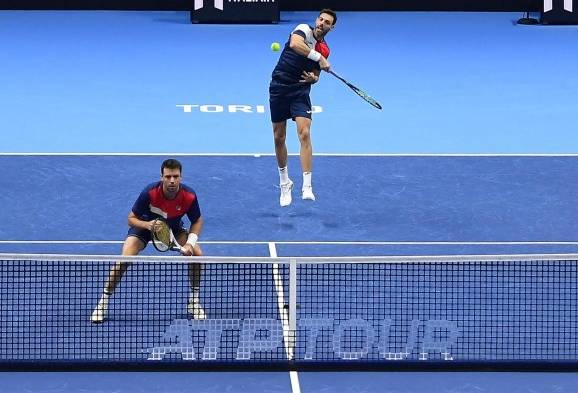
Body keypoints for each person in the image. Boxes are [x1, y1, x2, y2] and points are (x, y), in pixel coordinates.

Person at [90, 159, 205, 323]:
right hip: (144, 227)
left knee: (198, 256)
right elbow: (130, 219)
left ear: (181, 177)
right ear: (161, 177)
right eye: (168, 176)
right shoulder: (149, 193)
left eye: (175, 176)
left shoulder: (189, 196)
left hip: (173, 228)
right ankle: (103, 302)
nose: (172, 180)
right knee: (124, 260)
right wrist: (147, 225)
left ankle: (193, 301)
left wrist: (190, 243)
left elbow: (198, 220)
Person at [269, 9, 337, 207]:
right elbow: (295, 45)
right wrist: (319, 58)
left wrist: (314, 78)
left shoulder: (324, 49)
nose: (322, 23)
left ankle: (307, 185)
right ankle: (284, 183)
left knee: (304, 133)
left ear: (331, 28)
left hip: (300, 90)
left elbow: (315, 74)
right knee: (278, 137)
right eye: (321, 19)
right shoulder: (303, 30)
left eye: (327, 22)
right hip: (279, 86)